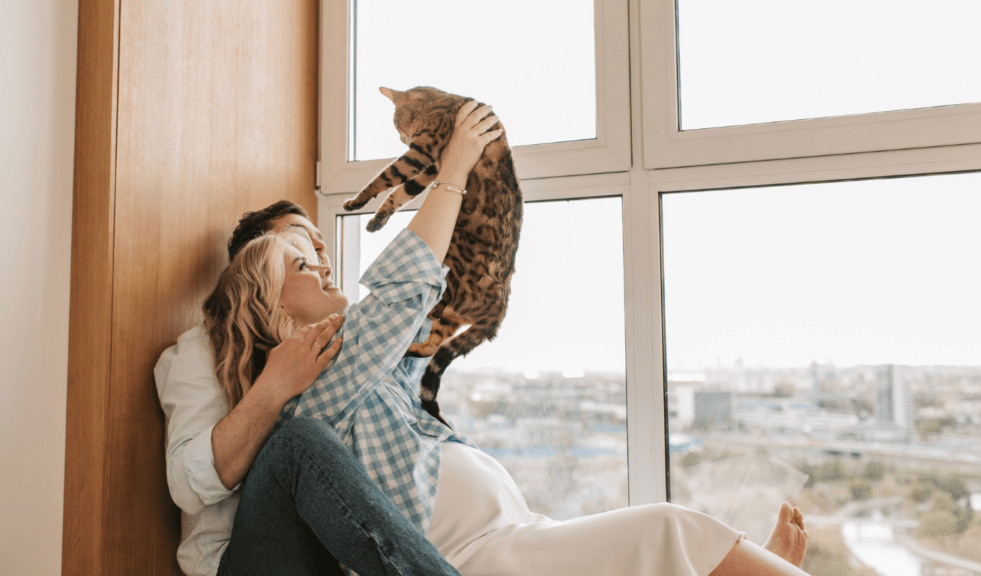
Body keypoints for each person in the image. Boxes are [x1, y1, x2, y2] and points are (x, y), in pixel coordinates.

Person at [204, 99, 814, 576]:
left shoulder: (362, 369)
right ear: (274, 314)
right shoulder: (316, 379)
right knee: (668, 531)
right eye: (300, 261)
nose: (323, 260)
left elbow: (420, 304)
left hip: (512, 535)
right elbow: (401, 289)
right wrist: (454, 170)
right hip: (475, 556)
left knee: (663, 542)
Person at [154, 159, 491, 572]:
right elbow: (187, 487)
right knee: (296, 441)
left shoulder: (329, 351)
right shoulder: (201, 351)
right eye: (299, 249)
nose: (321, 260)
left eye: (321, 249)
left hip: (324, 549)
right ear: (255, 269)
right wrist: (274, 387)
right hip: (243, 562)